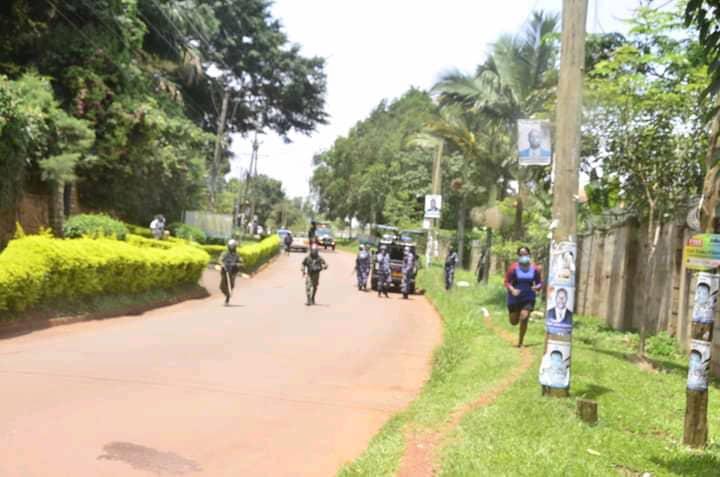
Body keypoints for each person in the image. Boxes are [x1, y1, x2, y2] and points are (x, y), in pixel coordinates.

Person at [504, 246, 543, 347]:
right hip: (514, 298)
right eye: (521, 254)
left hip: (528, 297)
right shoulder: (513, 268)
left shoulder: (534, 268)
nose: (523, 256)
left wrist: (536, 288)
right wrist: (512, 290)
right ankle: (515, 315)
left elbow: (539, 283)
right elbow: (507, 282)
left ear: (529, 255)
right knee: (513, 321)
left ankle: (520, 342)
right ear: (518, 256)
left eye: (525, 254)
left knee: (524, 317)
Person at [218, 239, 243, 306]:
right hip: (224, 271)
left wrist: (237, 264)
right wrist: (223, 264)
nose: (232, 248)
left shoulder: (236, 255)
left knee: (231, 284)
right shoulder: (225, 253)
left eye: (233, 246)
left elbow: (240, 262)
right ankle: (227, 294)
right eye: (230, 246)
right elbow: (220, 260)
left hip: (232, 271)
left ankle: (227, 298)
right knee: (221, 286)